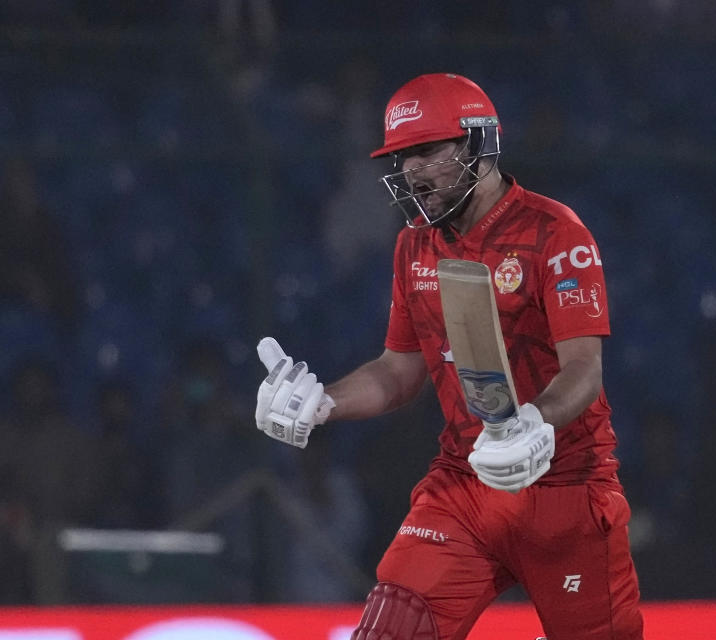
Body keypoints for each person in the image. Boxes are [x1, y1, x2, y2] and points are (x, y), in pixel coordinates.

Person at [254, 72, 645, 639]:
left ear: (479, 143)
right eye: (403, 156)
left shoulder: (555, 232)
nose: (411, 170)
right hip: (466, 484)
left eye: (427, 151)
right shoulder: (414, 242)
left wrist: (536, 420)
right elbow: (398, 371)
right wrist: (323, 402)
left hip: (567, 489)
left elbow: (582, 369)